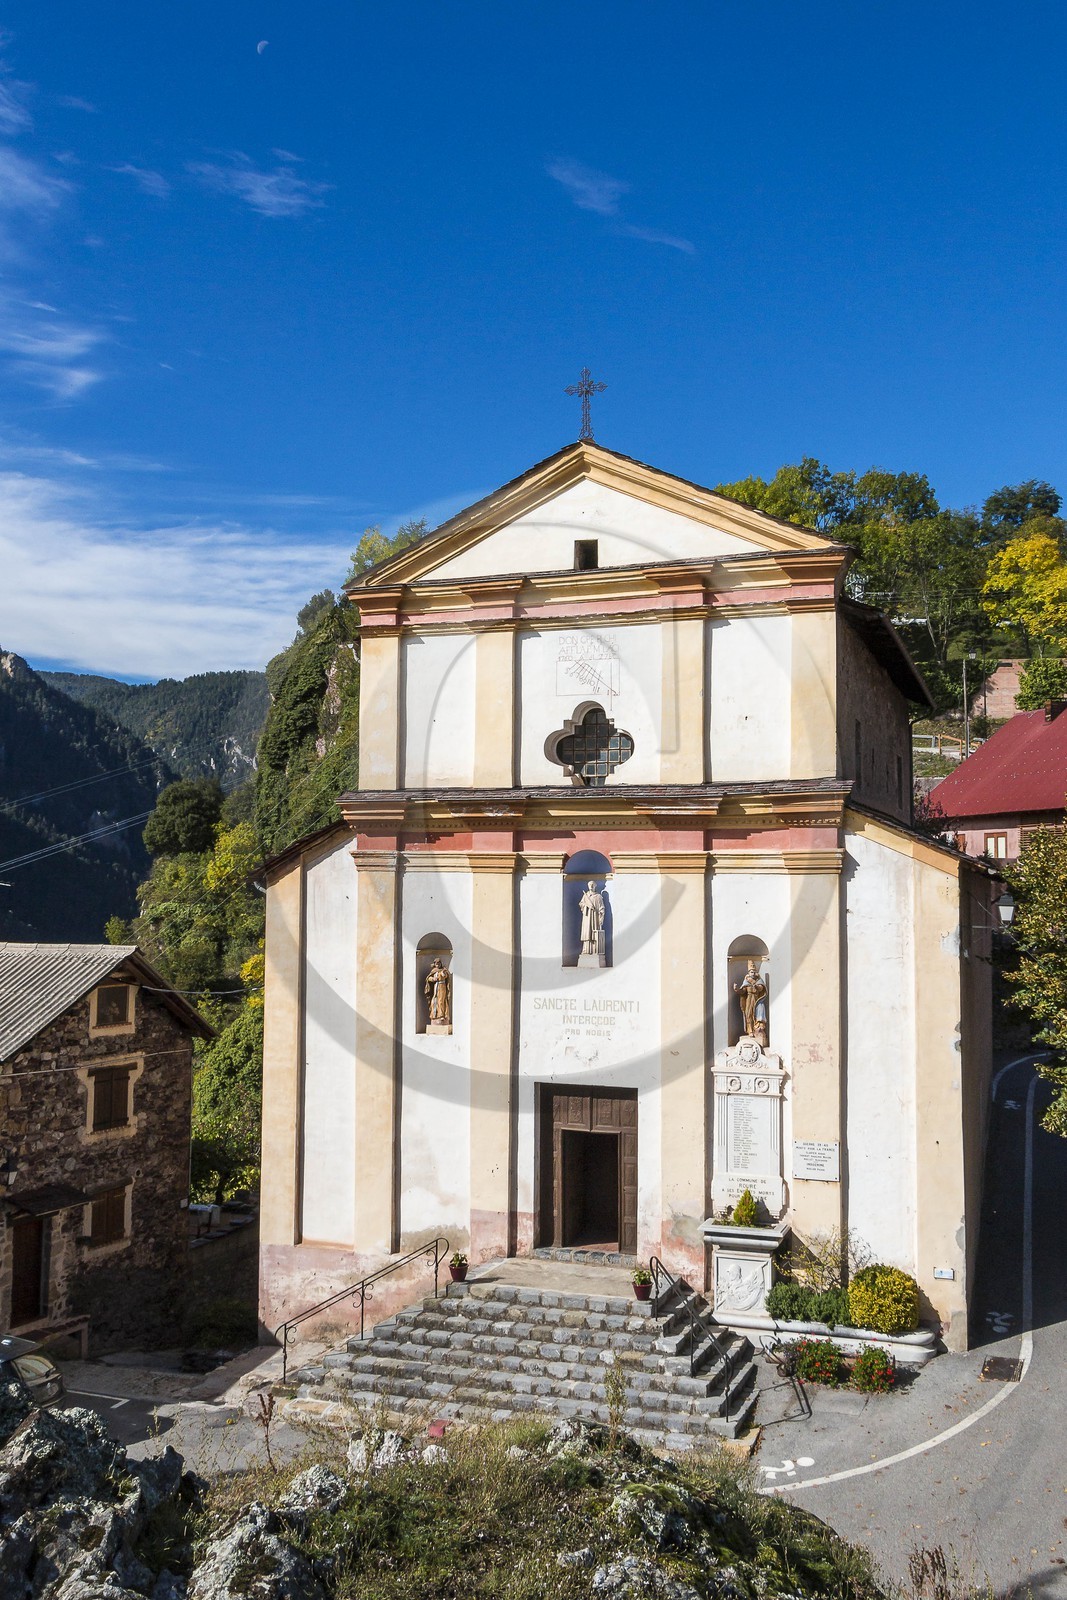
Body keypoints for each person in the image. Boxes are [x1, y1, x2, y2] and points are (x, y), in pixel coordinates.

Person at [733, 959, 768, 1046]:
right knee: (748, 1014)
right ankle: (750, 1031)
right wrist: (737, 989)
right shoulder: (746, 981)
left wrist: (756, 986)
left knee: (756, 1014)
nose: (752, 973)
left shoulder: (758, 980)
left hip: (756, 999)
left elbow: (761, 988)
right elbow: (743, 991)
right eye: (751, 972)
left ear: (755, 972)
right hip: (749, 999)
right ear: (748, 973)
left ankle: (757, 1029)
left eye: (753, 971)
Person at [579, 880, 605, 957]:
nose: (591, 886)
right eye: (589, 884)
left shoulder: (598, 896)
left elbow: (602, 907)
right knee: (587, 932)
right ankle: (586, 950)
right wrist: (586, 905)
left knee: (594, 933)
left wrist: (601, 915)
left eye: (592, 884)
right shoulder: (585, 896)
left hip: (595, 917)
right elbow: (581, 904)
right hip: (587, 917)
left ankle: (595, 950)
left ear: (595, 886)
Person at [424, 956, 451, 1026]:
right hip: (436, 986)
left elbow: (445, 976)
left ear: (441, 963)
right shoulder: (434, 970)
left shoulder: (443, 970)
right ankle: (434, 1016)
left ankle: (442, 1015)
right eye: (436, 964)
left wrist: (443, 974)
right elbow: (428, 978)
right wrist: (433, 979)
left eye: (439, 963)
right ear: (434, 964)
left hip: (442, 986)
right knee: (434, 1001)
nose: (437, 965)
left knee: (441, 1000)